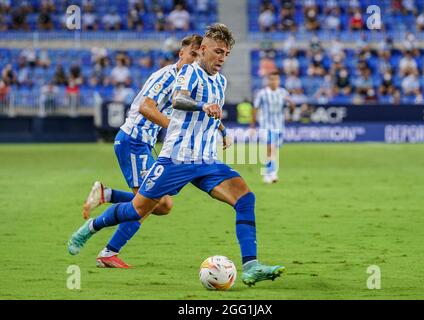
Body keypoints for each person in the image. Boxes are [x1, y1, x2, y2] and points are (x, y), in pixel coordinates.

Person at [68, 23, 285, 286]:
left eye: (226, 54)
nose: (221, 58)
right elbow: (178, 101)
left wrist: (223, 129)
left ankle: (251, 265)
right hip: (176, 159)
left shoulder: (221, 81)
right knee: (139, 209)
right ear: (203, 50)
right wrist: (203, 105)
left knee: (245, 197)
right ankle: (92, 227)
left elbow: (212, 112)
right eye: (217, 51)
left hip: (206, 160)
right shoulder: (188, 74)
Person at [82, 34, 231, 268]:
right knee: (151, 204)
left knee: (161, 205)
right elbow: (145, 107)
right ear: (181, 53)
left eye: (198, 55)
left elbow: (201, 112)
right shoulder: (166, 75)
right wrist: (174, 127)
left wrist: (221, 128)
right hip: (134, 140)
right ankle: (108, 251)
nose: (195, 59)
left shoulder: (193, 80)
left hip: (145, 144)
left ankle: (107, 196)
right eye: (191, 54)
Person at [252, 71, 295, 184]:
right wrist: (252, 126)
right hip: (266, 125)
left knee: (273, 151)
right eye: (271, 79)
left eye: (276, 79)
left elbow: (291, 110)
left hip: (279, 126)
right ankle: (272, 173)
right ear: (268, 80)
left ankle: (267, 173)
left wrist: (291, 104)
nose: (274, 81)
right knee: (271, 148)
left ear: (279, 80)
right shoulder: (262, 93)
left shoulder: (283, 92)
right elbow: (255, 108)